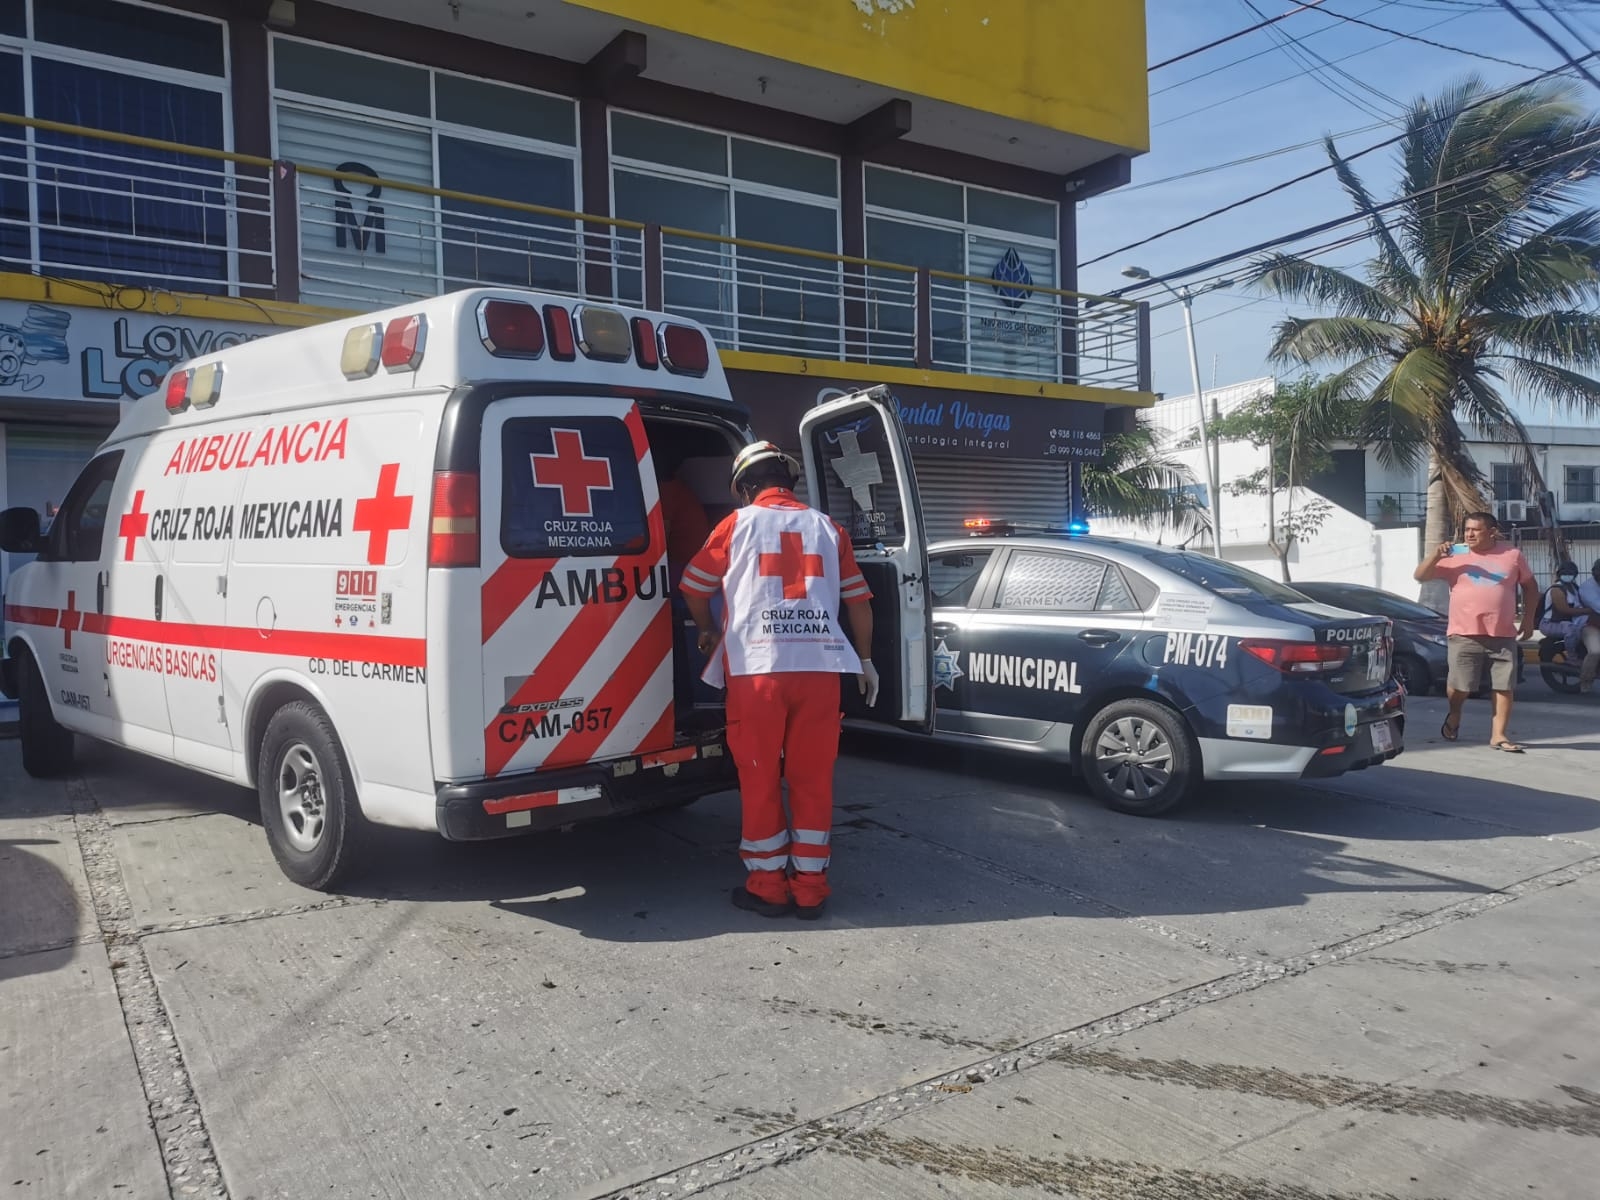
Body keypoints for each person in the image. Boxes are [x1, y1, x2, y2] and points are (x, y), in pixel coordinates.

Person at [679, 441, 878, 920]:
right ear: (789, 483)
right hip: (821, 672)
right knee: (813, 779)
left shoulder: (735, 525)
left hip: (757, 673)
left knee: (760, 777)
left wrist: (707, 629)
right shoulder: (829, 529)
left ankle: (768, 886)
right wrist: (866, 661)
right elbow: (859, 602)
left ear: (746, 487)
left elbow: (693, 585)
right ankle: (811, 889)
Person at [1415, 510, 1538, 751]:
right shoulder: (1455, 554)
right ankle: (1455, 714)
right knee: (1461, 686)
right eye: (1467, 529)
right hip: (1464, 632)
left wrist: (1529, 619)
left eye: (1475, 530)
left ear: (1491, 532)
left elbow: (1531, 588)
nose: (1469, 534)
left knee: (1504, 685)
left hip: (1502, 633)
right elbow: (1420, 576)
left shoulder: (1512, 555)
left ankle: (1499, 735)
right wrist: (1435, 554)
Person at [1577, 559, 1600, 693]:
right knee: (1596, 651)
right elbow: (1598, 607)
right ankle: (1585, 680)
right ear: (1595, 573)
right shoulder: (1588, 588)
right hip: (1592, 626)